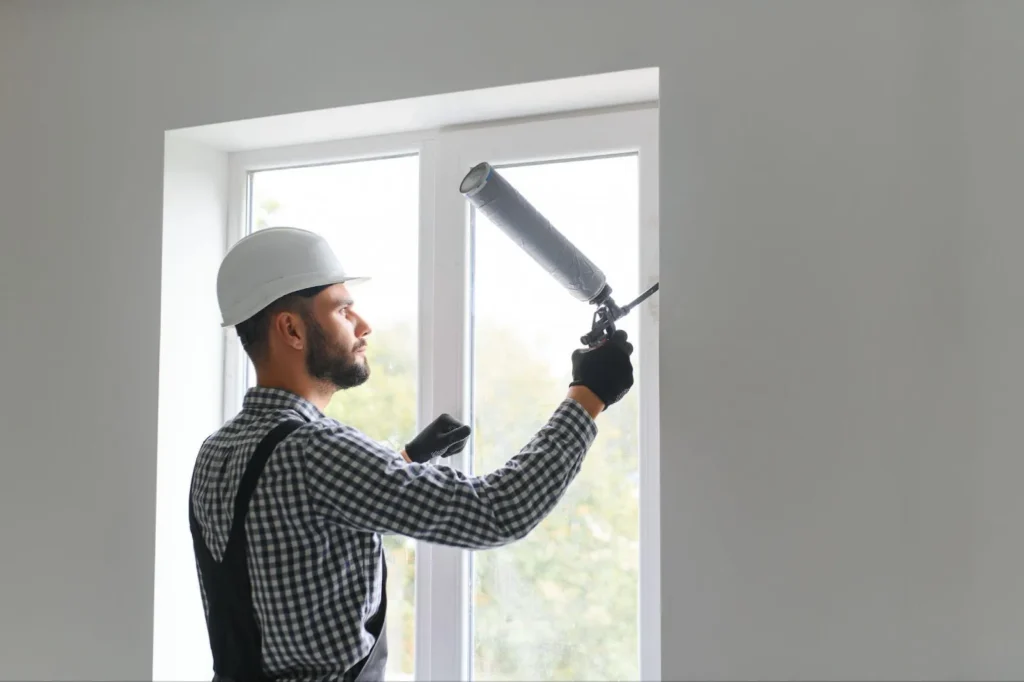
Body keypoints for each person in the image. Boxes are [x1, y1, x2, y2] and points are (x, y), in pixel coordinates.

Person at [189, 226, 635, 682]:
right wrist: (588, 397)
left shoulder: (218, 451)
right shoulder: (314, 451)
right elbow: (498, 511)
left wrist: (407, 459)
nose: (364, 326)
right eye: (343, 310)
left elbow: (298, 533)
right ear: (291, 329)